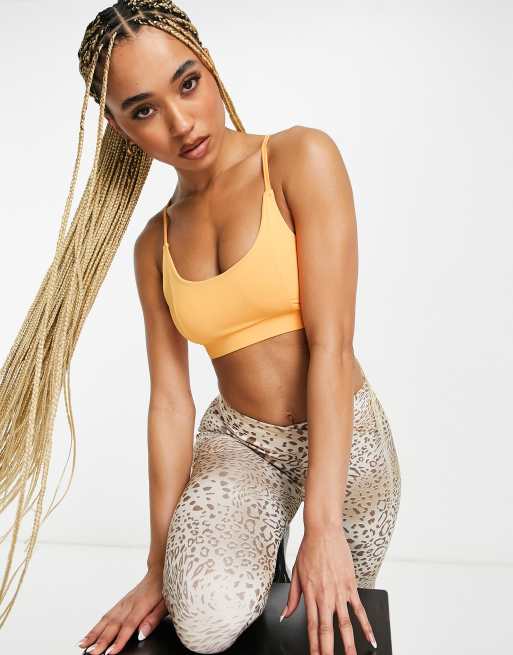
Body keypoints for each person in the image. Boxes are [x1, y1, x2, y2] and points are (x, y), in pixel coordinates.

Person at [0, 1, 401, 654]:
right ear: (118, 126)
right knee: (206, 619)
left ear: (209, 66)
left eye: (187, 83)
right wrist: (157, 563)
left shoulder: (299, 158)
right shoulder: (153, 245)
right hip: (241, 442)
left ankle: (286, 553)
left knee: (328, 627)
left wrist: (322, 527)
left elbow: (331, 345)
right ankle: (253, 552)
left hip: (347, 433)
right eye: (144, 110)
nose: (180, 122)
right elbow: (169, 402)